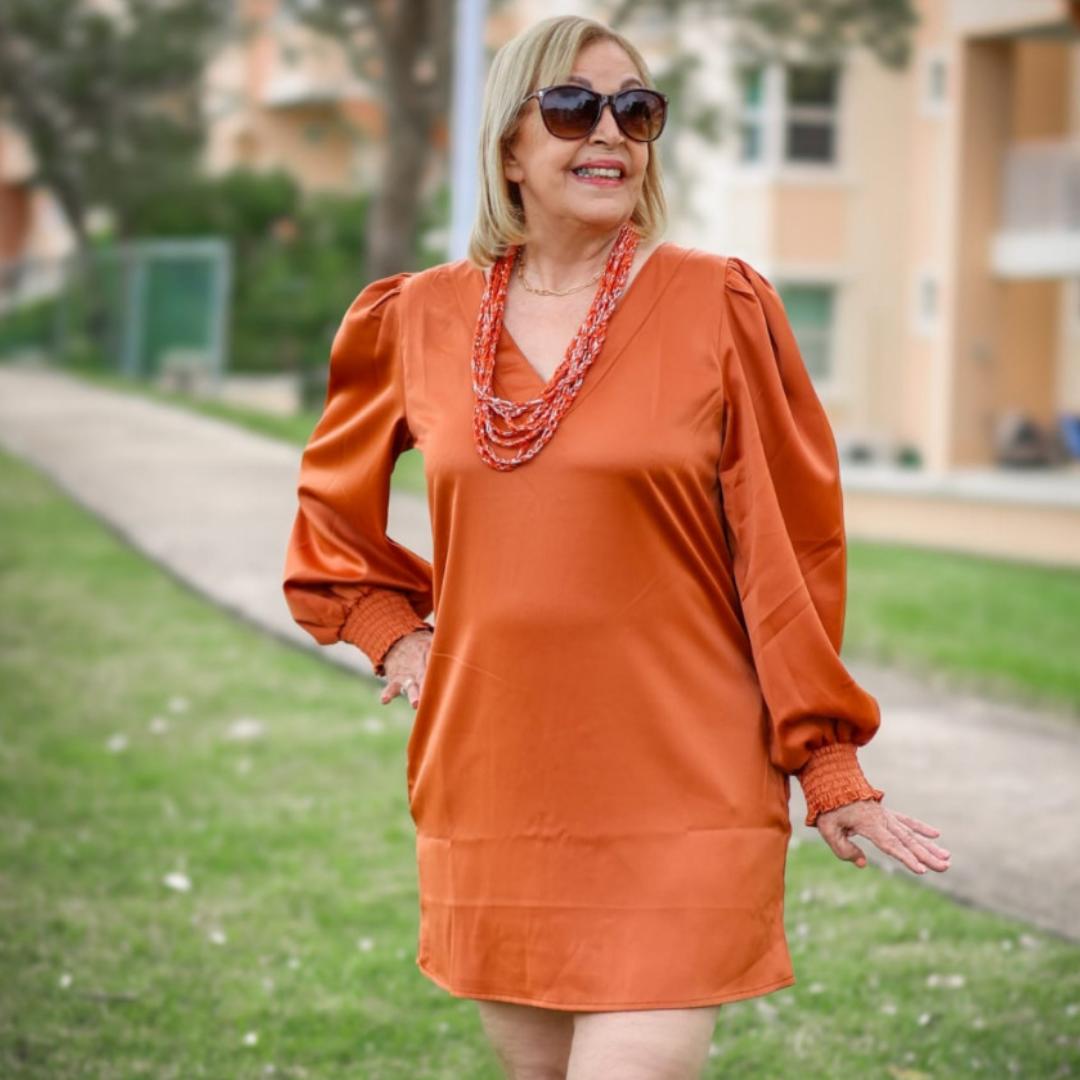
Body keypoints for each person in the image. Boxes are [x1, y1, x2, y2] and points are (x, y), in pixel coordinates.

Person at [282, 14, 951, 1079]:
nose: (609, 132)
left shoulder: (720, 304)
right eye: (572, 107)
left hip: (686, 780)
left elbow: (790, 551)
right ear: (509, 146)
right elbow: (328, 518)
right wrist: (389, 631)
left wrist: (827, 759)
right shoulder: (415, 318)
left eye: (636, 110)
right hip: (496, 780)